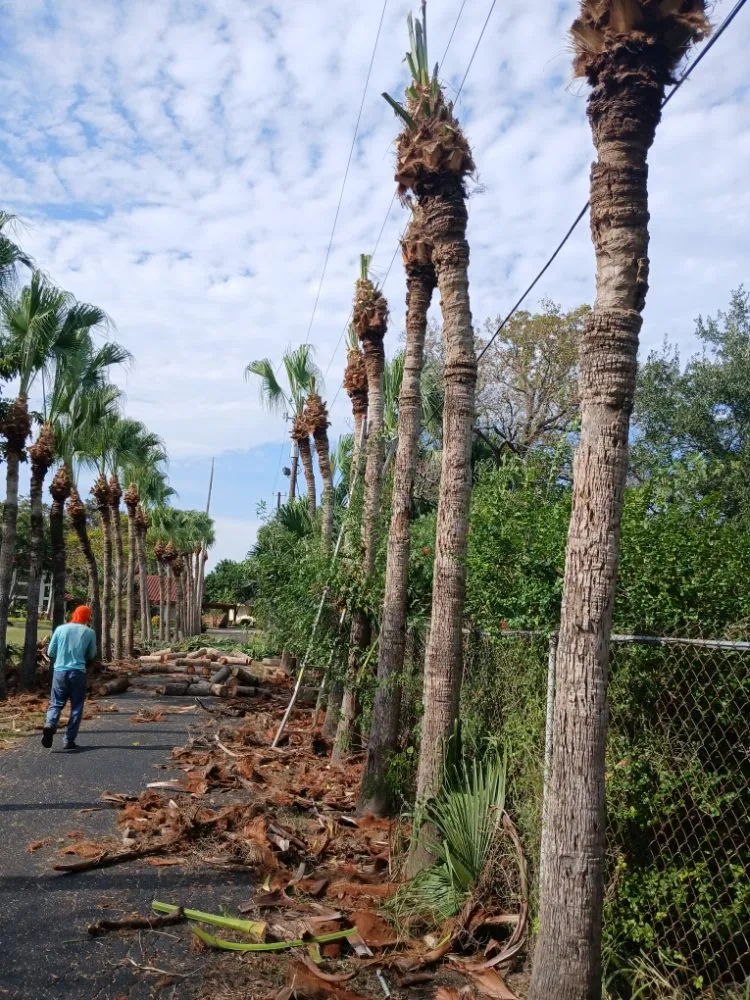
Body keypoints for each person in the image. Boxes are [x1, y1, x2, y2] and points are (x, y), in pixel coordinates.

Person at [42, 605, 97, 751]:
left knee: (56, 703)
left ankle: (50, 724)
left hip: (59, 672)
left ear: (74, 614)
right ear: (87, 617)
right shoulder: (89, 632)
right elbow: (92, 655)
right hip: (78, 673)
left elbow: (51, 651)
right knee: (76, 707)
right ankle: (68, 740)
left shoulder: (61, 629)